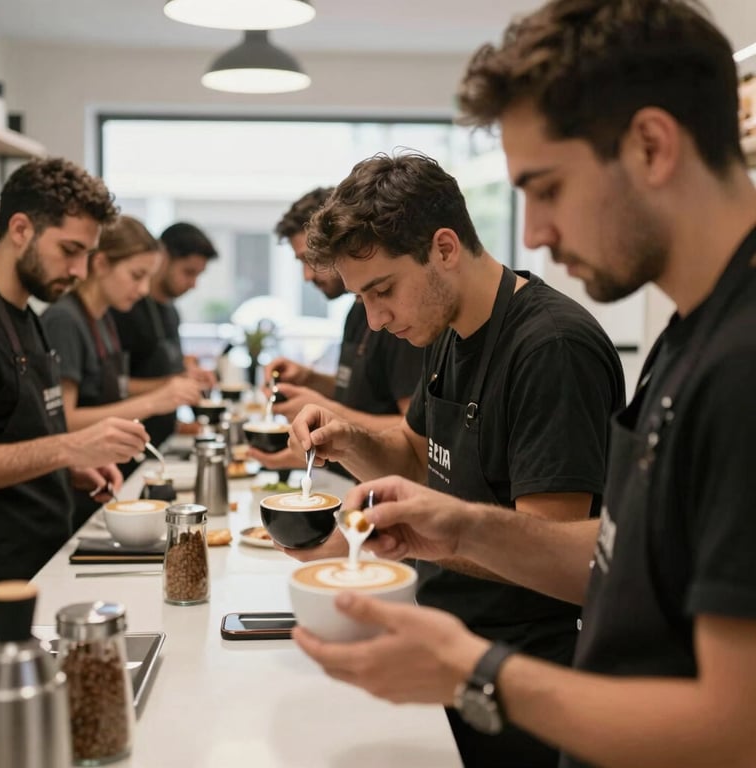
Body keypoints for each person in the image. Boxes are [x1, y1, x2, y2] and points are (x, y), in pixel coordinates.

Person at [290, 2, 756, 767]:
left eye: (548, 187)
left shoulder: (737, 362)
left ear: (651, 145)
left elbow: (736, 728)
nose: (533, 230)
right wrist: (457, 527)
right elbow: (610, 562)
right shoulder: (691, 334)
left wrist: (472, 672)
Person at [290, 153, 625, 766]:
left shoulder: (550, 347)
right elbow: (420, 457)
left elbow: (556, 551)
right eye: (363, 299)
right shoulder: (445, 329)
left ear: (444, 248)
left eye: (382, 290)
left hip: (522, 673)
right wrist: (350, 440)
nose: (376, 318)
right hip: (444, 640)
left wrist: (432, 537)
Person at [0, 157, 150, 583]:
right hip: (1, 579)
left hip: (44, 561)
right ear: (20, 229)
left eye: (87, 255)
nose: (79, 271)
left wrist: (69, 468)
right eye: (69, 251)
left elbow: (17, 436)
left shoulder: (28, 317)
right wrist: (68, 450)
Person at [41, 214, 203, 527]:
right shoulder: (65, 320)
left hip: (104, 475)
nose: (144, 290)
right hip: (76, 489)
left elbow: (114, 386)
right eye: (136, 275)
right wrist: (154, 401)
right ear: (100, 264)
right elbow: (65, 420)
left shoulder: (103, 318)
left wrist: (170, 384)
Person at [248, 186, 424, 473]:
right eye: (301, 262)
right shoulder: (357, 312)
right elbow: (364, 389)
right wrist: (310, 379)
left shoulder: (399, 320)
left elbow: (414, 435)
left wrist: (327, 412)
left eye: (311, 260)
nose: (307, 276)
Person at [111, 221, 218, 450]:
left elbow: (166, 370)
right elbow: (114, 387)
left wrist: (187, 374)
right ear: (163, 257)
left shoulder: (171, 312)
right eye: (188, 272)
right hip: (129, 446)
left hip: (163, 442)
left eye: (198, 275)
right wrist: (172, 383)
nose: (193, 284)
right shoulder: (124, 309)